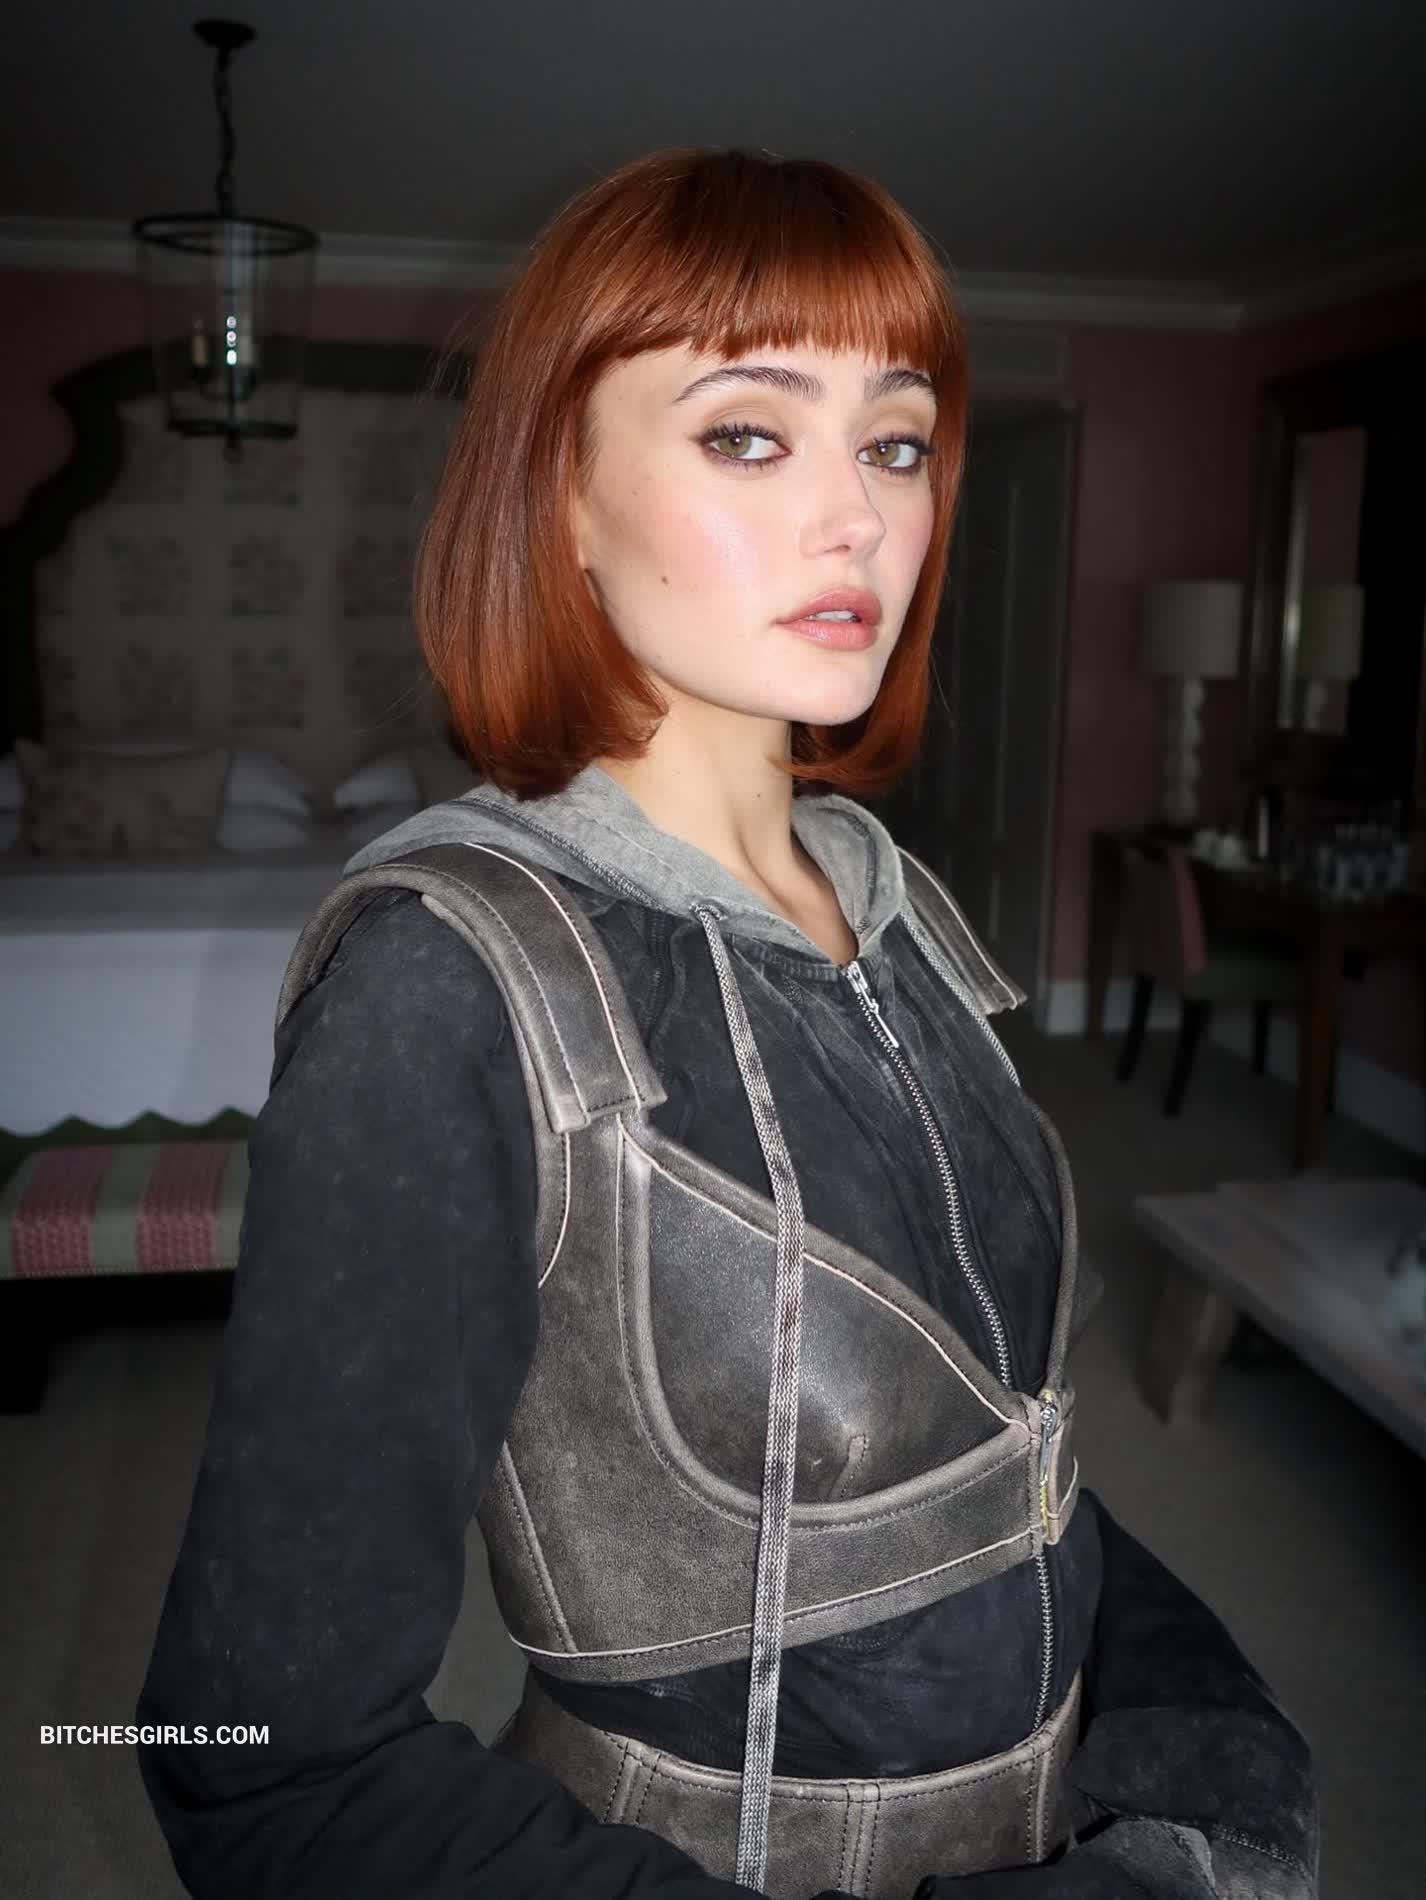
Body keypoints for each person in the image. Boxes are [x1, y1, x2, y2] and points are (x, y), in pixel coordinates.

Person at [136, 148, 1317, 1899]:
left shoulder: (899, 914)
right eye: (749, 435)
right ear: (558, 494)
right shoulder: (444, 983)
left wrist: (1211, 1758)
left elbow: (1001, 1470)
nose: (857, 519)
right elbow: (262, 1764)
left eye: (895, 444)